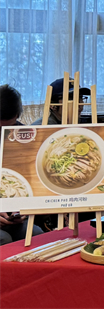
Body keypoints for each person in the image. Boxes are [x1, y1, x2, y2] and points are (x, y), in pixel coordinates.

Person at [0, 84, 43, 245]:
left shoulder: (25, 137)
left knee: (36, 235)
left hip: (12, 214)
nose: (3, 132)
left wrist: (24, 209)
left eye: (9, 127)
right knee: (3, 239)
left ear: (18, 115)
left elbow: (33, 179)